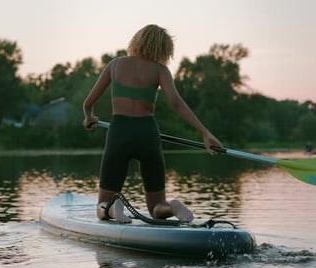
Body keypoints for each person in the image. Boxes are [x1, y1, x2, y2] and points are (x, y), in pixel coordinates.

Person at [82, 24, 222, 223]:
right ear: (164, 49)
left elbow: (88, 102)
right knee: (156, 207)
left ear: (137, 40)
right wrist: (205, 133)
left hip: (119, 132)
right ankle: (172, 207)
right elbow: (176, 103)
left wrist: (89, 117)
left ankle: (112, 209)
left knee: (102, 203)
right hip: (148, 133)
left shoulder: (115, 65)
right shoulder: (160, 70)